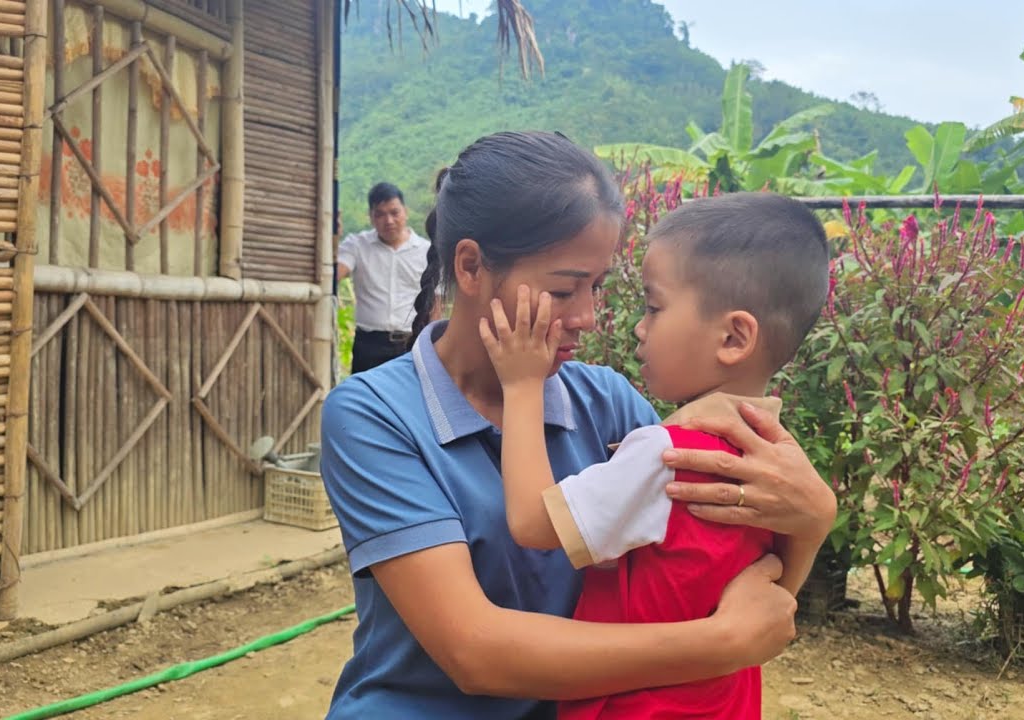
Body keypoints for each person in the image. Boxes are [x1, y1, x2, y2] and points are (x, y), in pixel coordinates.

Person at [319, 132, 837, 719]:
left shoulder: (608, 402)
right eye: (564, 289)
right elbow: (474, 652)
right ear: (470, 267)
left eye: (597, 287)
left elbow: (721, 577)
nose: (588, 316)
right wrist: (721, 644)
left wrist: (811, 521)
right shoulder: (373, 416)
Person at [481, 193, 831, 719]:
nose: (638, 327)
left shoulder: (667, 454)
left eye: (654, 308)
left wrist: (523, 385)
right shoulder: (771, 461)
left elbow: (532, 523)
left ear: (733, 337)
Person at [336, 182, 429, 373]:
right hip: (369, 345)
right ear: (370, 217)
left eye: (394, 212)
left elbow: (436, 302)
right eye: (380, 214)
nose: (389, 220)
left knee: (408, 393)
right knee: (364, 393)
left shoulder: (426, 251)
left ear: (405, 212)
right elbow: (333, 275)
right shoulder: (357, 245)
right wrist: (332, 238)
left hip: (411, 344)